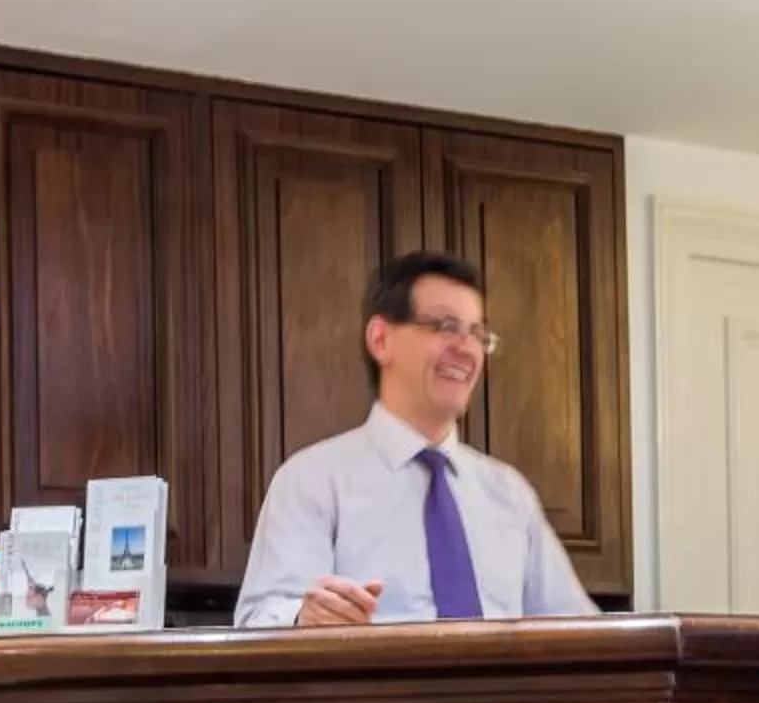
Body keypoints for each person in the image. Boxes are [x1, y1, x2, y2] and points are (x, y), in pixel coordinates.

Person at [233, 252, 598, 628]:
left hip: (504, 689)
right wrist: (304, 618)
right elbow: (257, 620)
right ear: (381, 339)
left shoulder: (509, 493)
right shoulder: (311, 480)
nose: (467, 349)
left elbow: (584, 632)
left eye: (478, 333)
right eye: (445, 326)